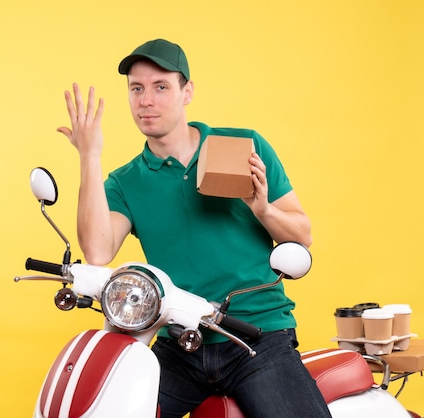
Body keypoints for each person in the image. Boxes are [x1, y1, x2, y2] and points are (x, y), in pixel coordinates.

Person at [57, 38, 331, 418]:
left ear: (187, 92)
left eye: (160, 87)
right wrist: (90, 156)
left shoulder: (243, 147)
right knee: (111, 408)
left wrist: (262, 208)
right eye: (136, 89)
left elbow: (302, 237)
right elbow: (98, 252)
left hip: (255, 335)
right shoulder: (125, 182)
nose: (146, 100)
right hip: (179, 340)